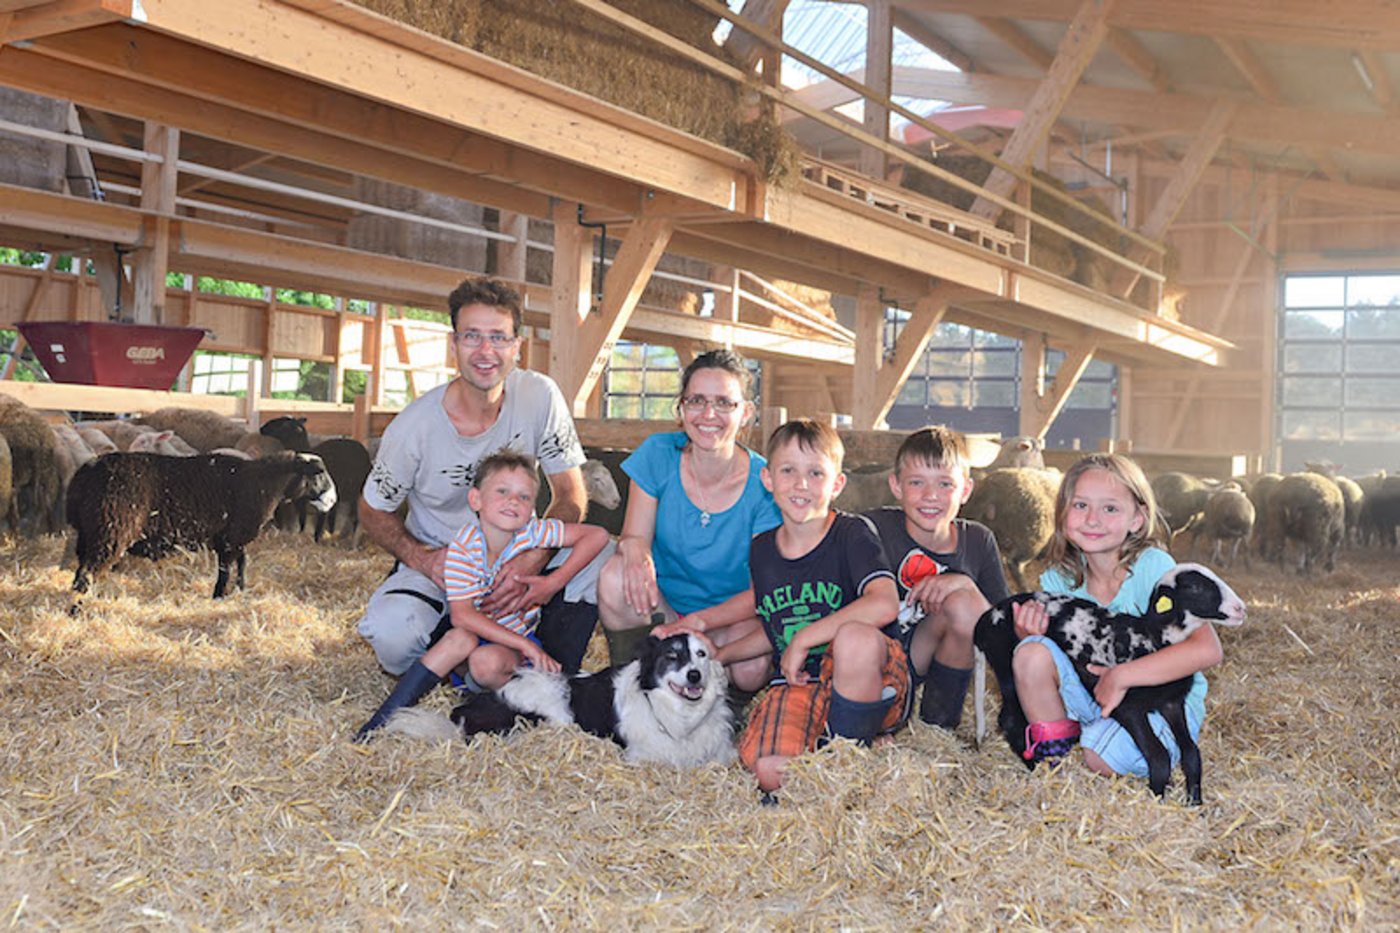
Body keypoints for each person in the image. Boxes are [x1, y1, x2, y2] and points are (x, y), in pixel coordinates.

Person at [357, 277, 605, 680]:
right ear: (453, 345)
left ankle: (547, 665)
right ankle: (458, 654)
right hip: (445, 557)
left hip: (519, 550)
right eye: (472, 336)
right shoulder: (414, 427)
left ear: (517, 347)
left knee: (606, 560)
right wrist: (422, 558)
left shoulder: (540, 396)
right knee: (392, 634)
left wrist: (534, 555)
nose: (486, 351)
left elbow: (570, 494)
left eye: (498, 337)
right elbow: (371, 509)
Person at [709, 419, 907, 794]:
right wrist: (720, 654)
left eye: (815, 473)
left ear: (837, 484)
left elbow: (885, 603)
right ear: (767, 479)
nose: (801, 484)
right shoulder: (763, 550)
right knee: (767, 770)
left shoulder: (852, 534)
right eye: (788, 471)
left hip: (868, 676)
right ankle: (840, 757)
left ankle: (851, 753)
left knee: (853, 640)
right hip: (800, 685)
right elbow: (774, 630)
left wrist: (805, 639)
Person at [355, 451, 609, 741]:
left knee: (485, 662)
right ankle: (380, 723)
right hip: (489, 640)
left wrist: (553, 582)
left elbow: (597, 535)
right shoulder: (464, 547)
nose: (514, 500)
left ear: (532, 508)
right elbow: (463, 615)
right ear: (476, 500)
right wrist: (527, 645)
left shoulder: (534, 533)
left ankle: (502, 708)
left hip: (505, 652)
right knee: (459, 637)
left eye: (525, 497)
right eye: (502, 491)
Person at [1010, 453, 1224, 778]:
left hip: (1159, 703)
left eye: (1110, 508)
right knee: (1030, 654)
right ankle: (1057, 762)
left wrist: (1123, 675)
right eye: (1080, 506)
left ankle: (1144, 746)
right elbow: (1054, 662)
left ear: (1137, 519)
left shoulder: (1154, 570)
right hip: (1095, 697)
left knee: (1099, 756)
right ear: (1062, 513)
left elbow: (1207, 649)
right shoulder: (1058, 581)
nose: (1093, 519)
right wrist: (1030, 634)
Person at [597, 349, 781, 693]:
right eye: (696, 400)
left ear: (746, 413)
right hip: (665, 609)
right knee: (613, 576)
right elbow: (633, 536)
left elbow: (765, 589)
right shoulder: (657, 453)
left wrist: (701, 622)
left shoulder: (765, 483)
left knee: (752, 668)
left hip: (730, 618)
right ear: (681, 409)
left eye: (724, 403)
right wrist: (636, 551)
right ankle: (633, 687)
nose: (708, 414)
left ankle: (725, 708)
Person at [863, 426, 1010, 731]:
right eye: (916, 482)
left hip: (929, 652)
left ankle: (938, 727)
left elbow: (1002, 631)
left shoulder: (978, 541)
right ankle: (882, 716)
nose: (930, 496)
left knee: (963, 605)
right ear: (896, 486)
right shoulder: (872, 529)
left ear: (966, 490)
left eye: (945, 484)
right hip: (875, 660)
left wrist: (965, 585)